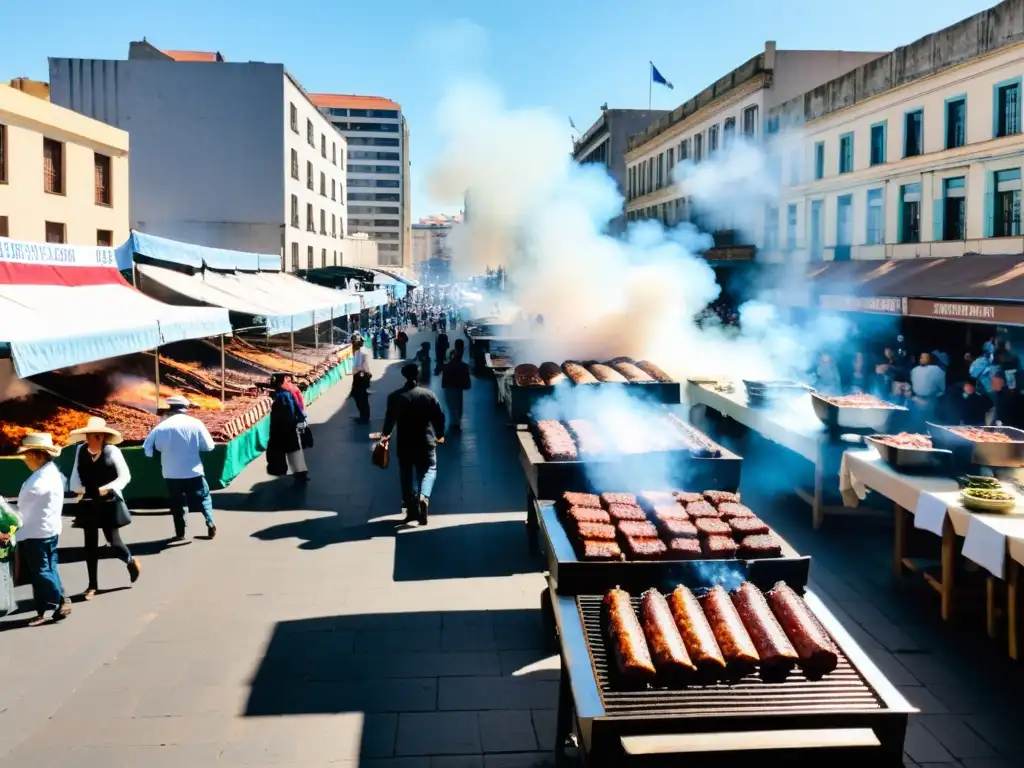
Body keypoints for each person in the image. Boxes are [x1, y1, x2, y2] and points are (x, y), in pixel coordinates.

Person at [68, 418, 140, 599]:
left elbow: (125, 476)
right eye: (89, 435)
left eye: (95, 435)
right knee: (89, 544)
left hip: (108, 501)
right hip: (87, 501)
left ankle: (130, 561)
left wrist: (107, 489)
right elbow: (75, 476)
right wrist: (82, 490)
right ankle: (92, 586)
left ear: (102, 436)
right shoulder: (80, 450)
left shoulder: (112, 451)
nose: (90, 439)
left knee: (114, 541)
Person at [14, 433, 71, 626]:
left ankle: (61, 600)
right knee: (48, 567)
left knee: (41, 571)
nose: (25, 460)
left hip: (36, 533)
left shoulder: (37, 483)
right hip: (49, 530)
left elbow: (21, 513)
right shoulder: (53, 472)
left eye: (28, 455)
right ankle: (43, 609)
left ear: (38, 455)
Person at [143, 395, 218, 541]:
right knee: (204, 498)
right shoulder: (196, 423)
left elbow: (149, 448)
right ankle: (209, 521)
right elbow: (209, 446)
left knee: (177, 503)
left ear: (170, 409)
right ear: (185, 409)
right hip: (193, 471)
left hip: (171, 473)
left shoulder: (162, 426)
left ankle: (180, 533)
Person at [381, 363, 447, 525]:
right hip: (426, 441)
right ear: (417, 375)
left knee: (406, 475)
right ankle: (424, 496)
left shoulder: (395, 397)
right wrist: (439, 434)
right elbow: (439, 417)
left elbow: (389, 421)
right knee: (429, 470)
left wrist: (385, 435)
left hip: (404, 442)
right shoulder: (428, 395)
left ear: (404, 375)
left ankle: (411, 510)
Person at [267, 374, 309, 484]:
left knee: (292, 451)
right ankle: (300, 473)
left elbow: (289, 412)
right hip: (289, 427)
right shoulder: (287, 392)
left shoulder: (283, 395)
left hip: (286, 428)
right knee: (294, 451)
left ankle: (300, 474)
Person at [441, 340, 472, 432]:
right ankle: (456, 422)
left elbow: (446, 369)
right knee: (457, 404)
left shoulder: (450, 361)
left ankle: (454, 423)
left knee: (452, 404)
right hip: (457, 386)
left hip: (451, 386)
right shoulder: (462, 363)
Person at [910, 352, 946, 426]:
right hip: (916, 399)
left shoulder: (937, 370)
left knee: (929, 422)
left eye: (925, 357)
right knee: (916, 422)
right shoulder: (914, 370)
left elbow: (942, 388)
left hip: (930, 400)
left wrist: (934, 397)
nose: (922, 359)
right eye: (921, 357)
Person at [351, 334, 372, 424]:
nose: (353, 344)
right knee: (358, 396)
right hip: (358, 376)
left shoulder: (364, 352)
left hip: (362, 376)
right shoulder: (357, 352)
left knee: (362, 397)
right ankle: (362, 416)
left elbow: (365, 367)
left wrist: (357, 369)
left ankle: (365, 418)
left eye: (354, 342)